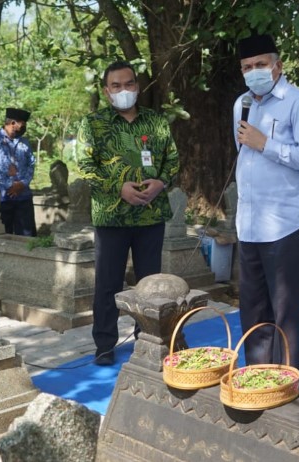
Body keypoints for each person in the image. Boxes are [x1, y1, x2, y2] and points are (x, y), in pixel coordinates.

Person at [74, 61, 180, 366]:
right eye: (116, 86)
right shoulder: (92, 124)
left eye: (129, 84)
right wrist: (118, 187)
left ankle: (146, 339)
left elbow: (172, 161)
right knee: (108, 283)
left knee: (151, 284)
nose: (123, 91)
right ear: (107, 92)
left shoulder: (156, 122)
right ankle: (104, 344)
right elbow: (85, 166)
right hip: (111, 218)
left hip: (150, 216)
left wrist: (161, 182)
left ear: (138, 85)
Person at [233, 34, 299, 375]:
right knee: (254, 312)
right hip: (250, 225)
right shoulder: (240, 104)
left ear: (277, 66)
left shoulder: (297, 103)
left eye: (260, 65)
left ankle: (287, 386)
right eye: (247, 67)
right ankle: (258, 380)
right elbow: (243, 159)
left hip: (285, 224)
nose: (254, 71)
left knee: (285, 313)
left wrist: (267, 144)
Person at [0, 107, 37, 236]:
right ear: (13, 123)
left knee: (27, 239)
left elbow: (31, 164)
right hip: (0, 198)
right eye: (23, 123)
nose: (24, 127)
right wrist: (10, 185)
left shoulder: (25, 143)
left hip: (23, 197)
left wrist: (22, 184)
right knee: (1, 238)